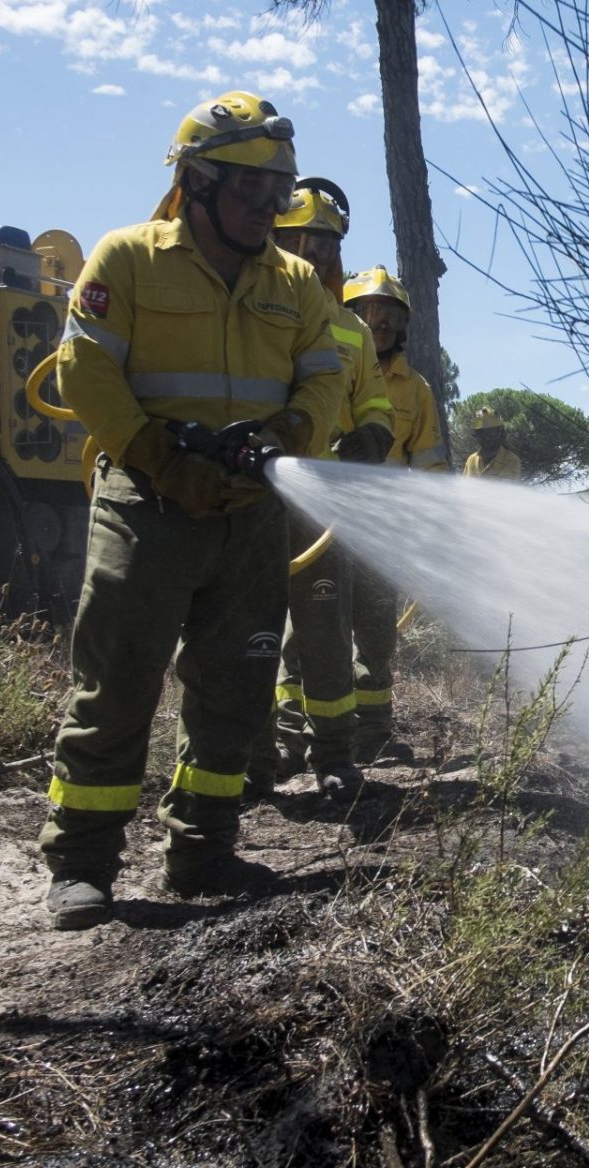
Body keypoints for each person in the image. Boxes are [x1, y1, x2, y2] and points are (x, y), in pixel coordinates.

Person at [39, 90, 345, 930]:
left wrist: (290, 431)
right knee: (120, 676)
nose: (267, 207)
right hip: (148, 501)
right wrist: (162, 459)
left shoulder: (294, 284)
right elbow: (86, 370)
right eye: (251, 188)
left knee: (237, 685)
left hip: (250, 512)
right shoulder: (129, 259)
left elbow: (327, 378)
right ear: (199, 181)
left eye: (277, 191)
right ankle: (83, 862)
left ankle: (203, 849)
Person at [248, 179, 396, 803]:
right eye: (295, 240)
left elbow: (376, 401)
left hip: (319, 503)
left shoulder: (351, 332)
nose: (310, 254)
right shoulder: (246, 308)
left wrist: (373, 434)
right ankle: (253, 756)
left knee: (325, 629)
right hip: (245, 496)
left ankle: (334, 756)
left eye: (323, 244)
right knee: (244, 632)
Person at [342, 265, 446, 763]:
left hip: (381, 530)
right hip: (320, 521)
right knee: (309, 634)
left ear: (402, 326)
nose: (378, 323)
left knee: (376, 633)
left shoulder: (415, 388)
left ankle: (374, 733)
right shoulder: (329, 366)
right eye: (368, 311)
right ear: (352, 315)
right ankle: (300, 737)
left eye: (389, 315)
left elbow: (427, 462)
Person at [462, 406, 522, 479]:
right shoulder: (471, 460)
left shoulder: (511, 460)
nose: (486, 437)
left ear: (500, 433)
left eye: (491, 432)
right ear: (476, 435)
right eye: (481, 433)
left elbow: (505, 488)